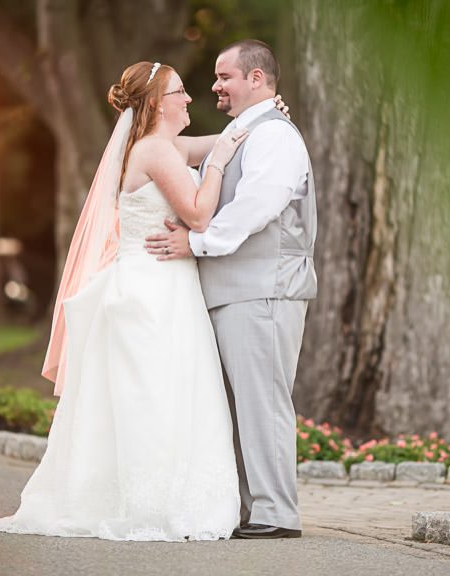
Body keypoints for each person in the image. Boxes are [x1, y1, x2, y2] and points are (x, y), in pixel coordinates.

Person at [0, 61, 269, 542]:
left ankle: (162, 494)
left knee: (170, 390)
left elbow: (222, 137)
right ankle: (149, 502)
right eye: (181, 92)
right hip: (151, 291)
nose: (190, 99)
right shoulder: (156, 151)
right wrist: (216, 164)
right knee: (153, 395)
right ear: (158, 103)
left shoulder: (165, 146)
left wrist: (260, 114)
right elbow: (199, 214)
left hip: (168, 286)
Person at [145, 39, 317, 539]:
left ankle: (275, 513)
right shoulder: (241, 132)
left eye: (225, 77)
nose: (215, 86)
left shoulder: (275, 137)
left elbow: (257, 205)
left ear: (257, 79)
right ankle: (252, 507)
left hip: (264, 289)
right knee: (242, 405)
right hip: (235, 290)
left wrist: (196, 243)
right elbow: (178, 150)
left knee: (263, 402)